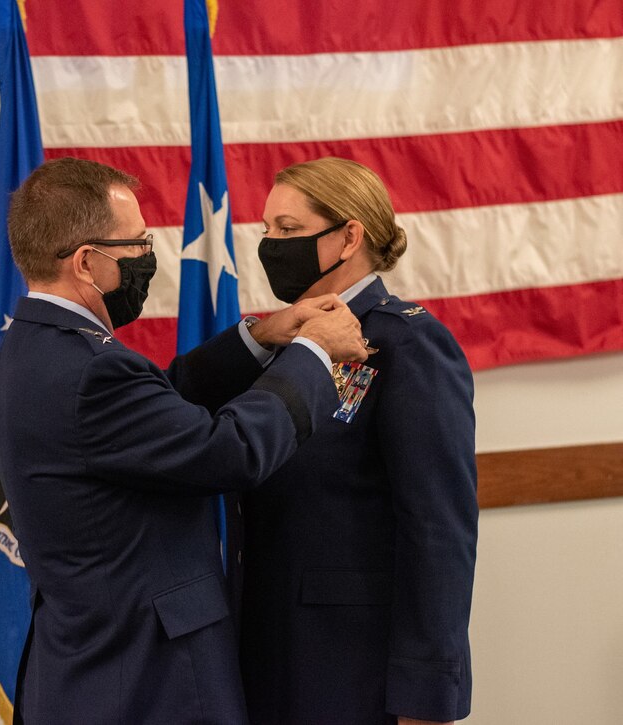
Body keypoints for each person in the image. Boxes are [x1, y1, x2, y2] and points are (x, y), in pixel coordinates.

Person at [0, 156, 368, 724]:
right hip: (144, 680)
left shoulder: (32, 350)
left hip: (88, 670)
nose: (147, 256)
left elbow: (162, 406)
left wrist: (262, 337)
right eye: (135, 244)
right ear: (87, 262)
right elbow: (229, 451)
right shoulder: (92, 371)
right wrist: (313, 353)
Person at [240, 157, 478, 725]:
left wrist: (426, 698)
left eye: (289, 230)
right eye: (267, 229)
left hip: (354, 666)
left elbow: (438, 529)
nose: (271, 244)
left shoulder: (409, 344)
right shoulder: (281, 342)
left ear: (349, 237)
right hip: (263, 652)